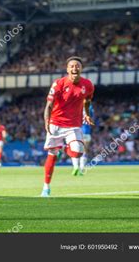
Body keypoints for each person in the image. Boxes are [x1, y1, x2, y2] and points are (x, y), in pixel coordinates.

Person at [41, 56, 95, 197]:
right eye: (72, 66)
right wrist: (47, 121)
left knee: (78, 152)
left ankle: (65, 148)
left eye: (77, 66)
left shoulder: (88, 85)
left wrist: (87, 114)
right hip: (56, 125)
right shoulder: (58, 83)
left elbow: (87, 101)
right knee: (52, 156)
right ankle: (46, 187)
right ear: (67, 69)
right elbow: (49, 105)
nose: (74, 68)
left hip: (73, 126)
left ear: (81, 69)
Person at [80, 104, 94, 174]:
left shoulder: (77, 105)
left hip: (78, 131)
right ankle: (82, 167)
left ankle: (77, 166)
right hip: (86, 131)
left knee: (78, 149)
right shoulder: (90, 106)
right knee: (85, 150)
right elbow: (92, 118)